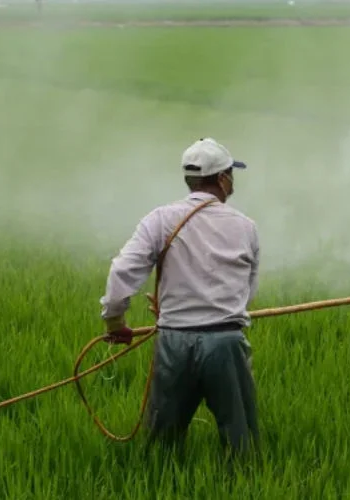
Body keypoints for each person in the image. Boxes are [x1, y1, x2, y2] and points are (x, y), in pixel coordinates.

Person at [98, 137, 261, 461]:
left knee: (161, 445)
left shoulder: (160, 219)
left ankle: (159, 482)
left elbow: (122, 272)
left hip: (174, 342)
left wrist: (115, 322)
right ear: (222, 178)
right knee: (241, 443)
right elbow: (246, 290)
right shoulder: (246, 227)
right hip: (225, 343)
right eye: (231, 174)